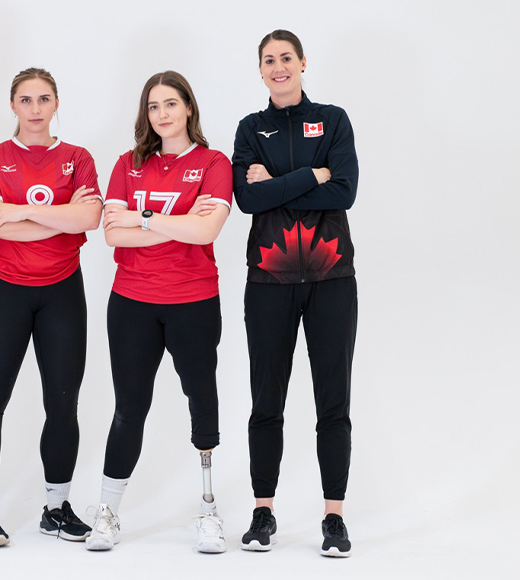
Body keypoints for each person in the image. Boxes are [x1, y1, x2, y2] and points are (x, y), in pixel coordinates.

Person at [85, 71, 232, 554]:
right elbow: (113, 235)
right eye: (153, 106)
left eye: (171, 103)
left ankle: (209, 511)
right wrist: (180, 223)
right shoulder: (129, 164)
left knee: (201, 400)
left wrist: (143, 217)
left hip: (192, 300)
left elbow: (206, 233)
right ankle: (107, 513)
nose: (163, 114)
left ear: (189, 107)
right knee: (129, 408)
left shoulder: (213, 162)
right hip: (132, 302)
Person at [231, 29, 359, 557]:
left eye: (287, 58)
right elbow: (246, 199)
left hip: (332, 279)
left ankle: (334, 518)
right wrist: (313, 172)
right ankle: (263, 512)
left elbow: (345, 190)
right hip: (268, 281)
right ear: (259, 70)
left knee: (334, 402)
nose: (278, 67)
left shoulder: (333, 119)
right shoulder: (249, 128)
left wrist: (277, 183)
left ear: (303, 63)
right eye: (269, 60)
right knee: (267, 401)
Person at [0, 67, 102, 547]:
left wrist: (22, 210)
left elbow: (90, 216)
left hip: (63, 291)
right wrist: (60, 220)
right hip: (6, 290)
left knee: (63, 404)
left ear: (56, 103)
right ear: (13, 106)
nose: (36, 108)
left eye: (44, 99)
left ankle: (55, 507)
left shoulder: (77, 158)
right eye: (26, 99)